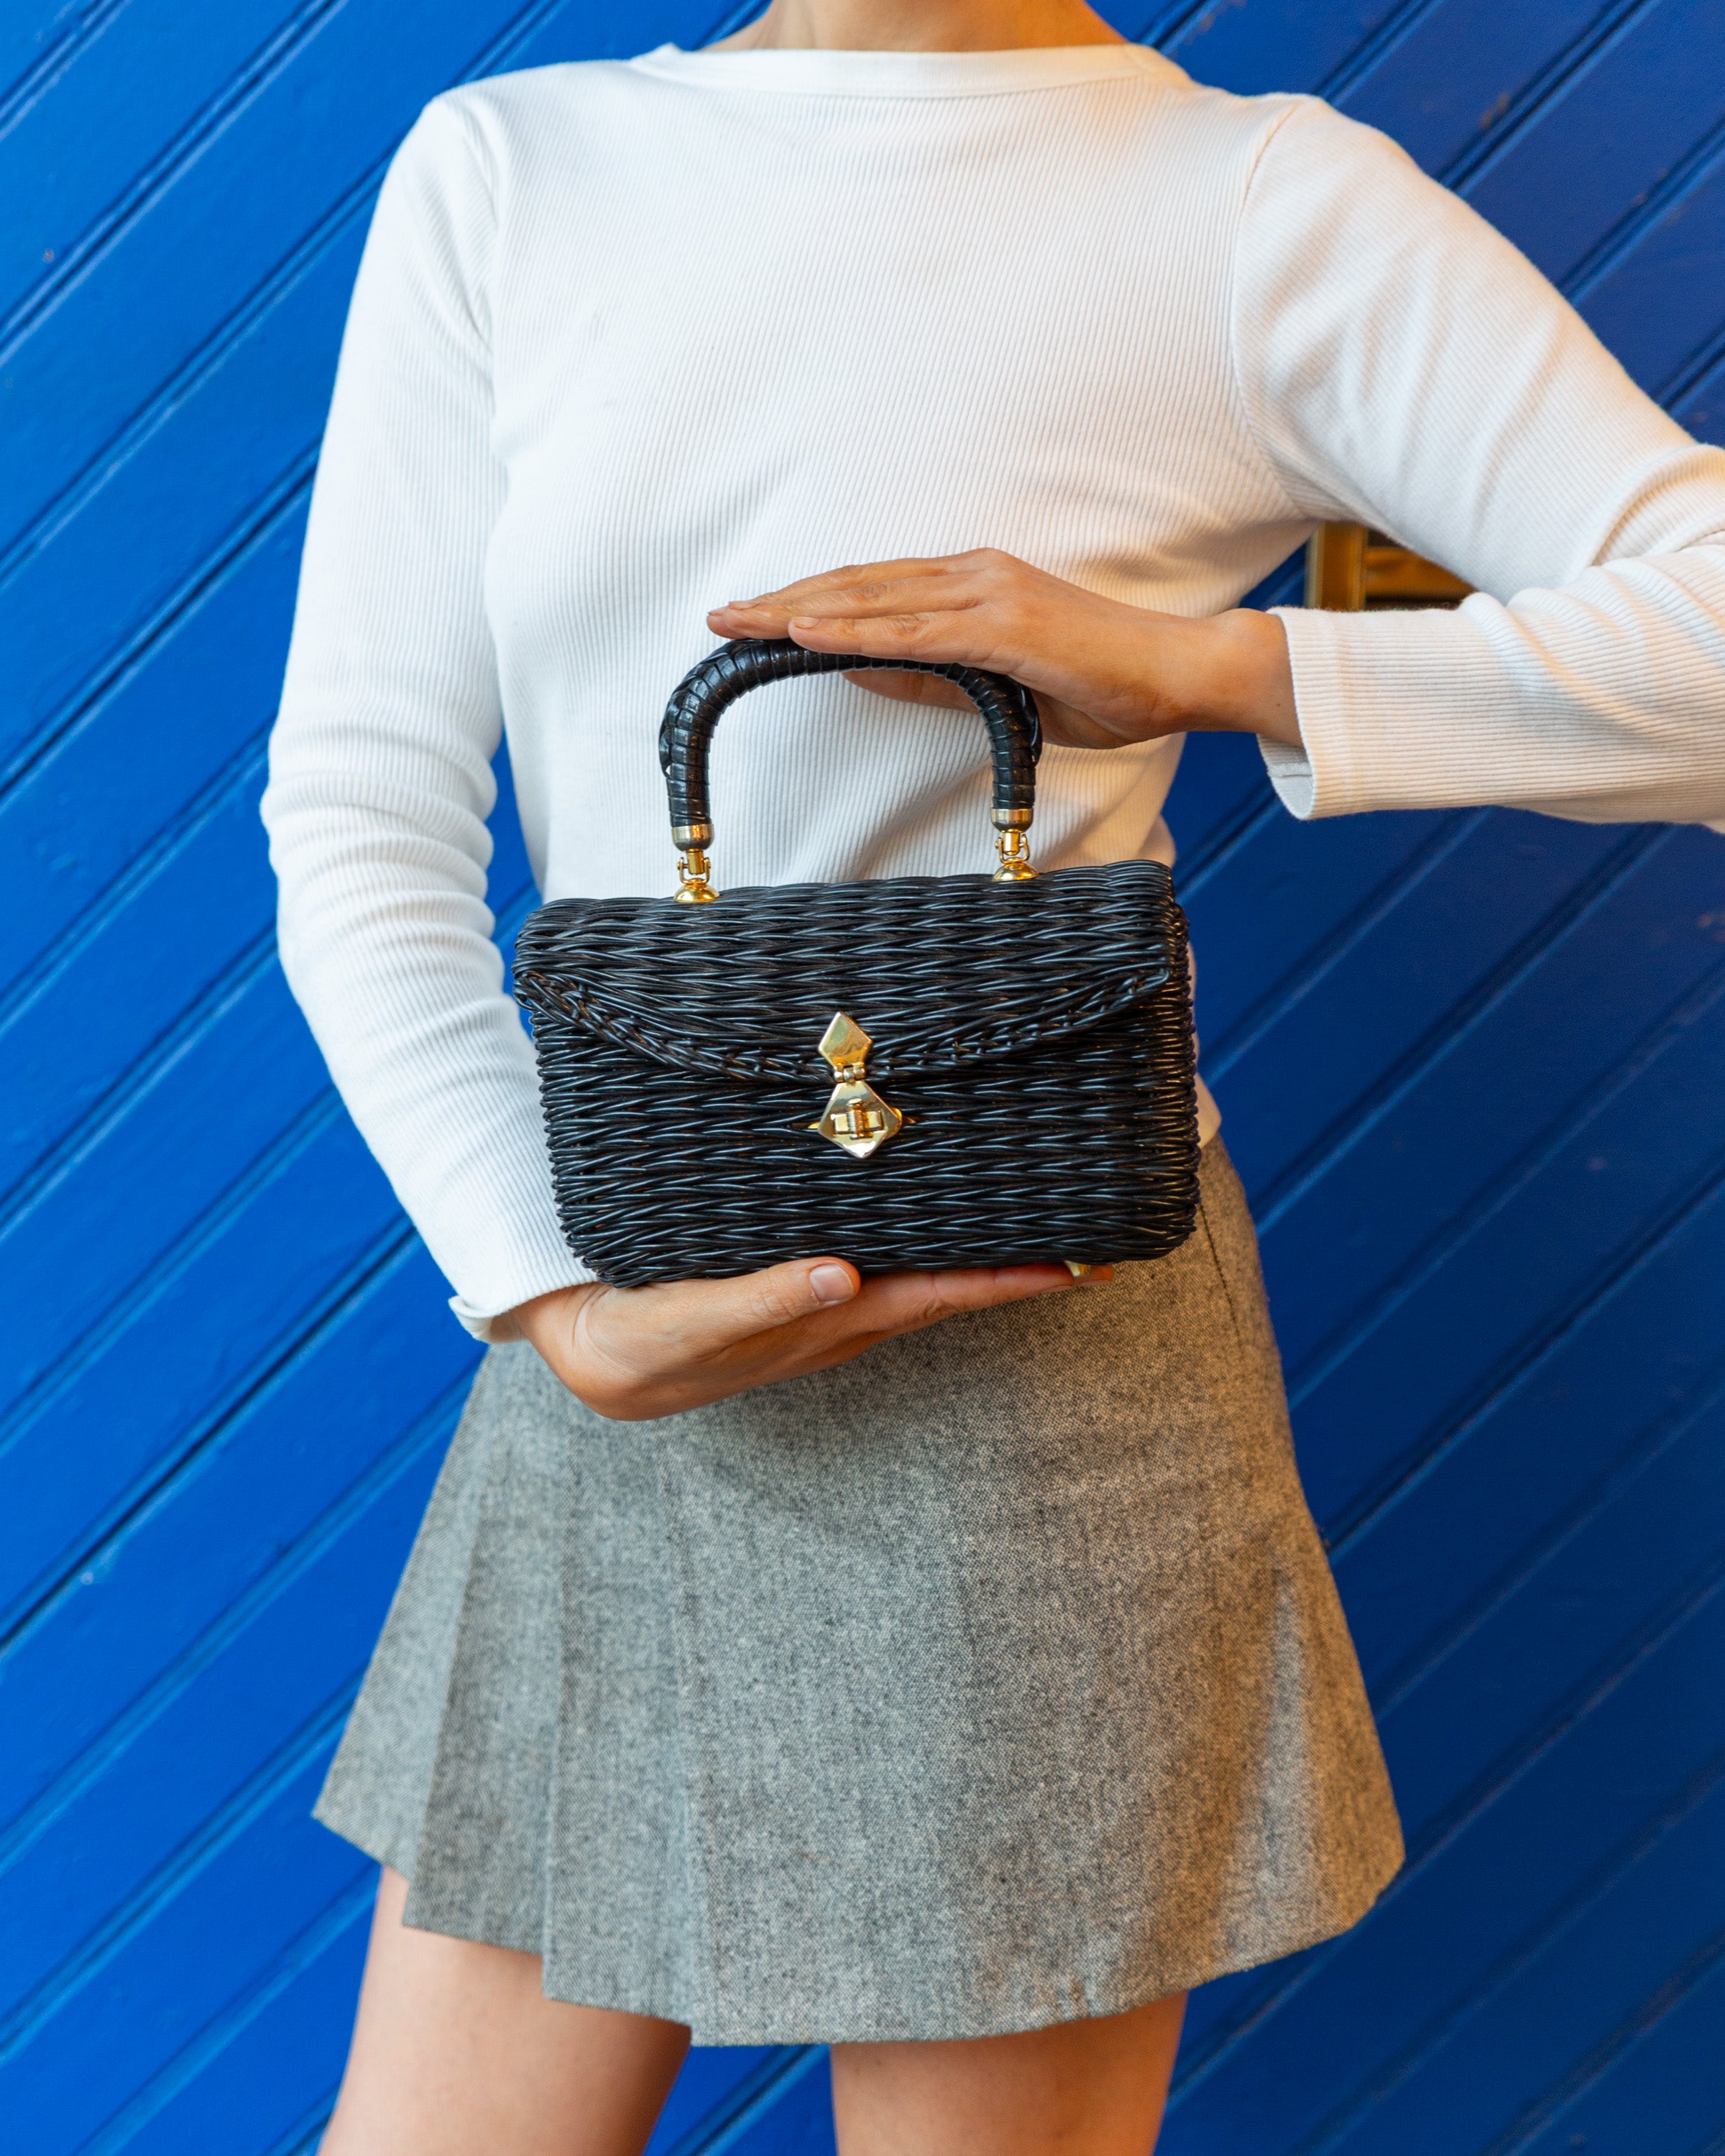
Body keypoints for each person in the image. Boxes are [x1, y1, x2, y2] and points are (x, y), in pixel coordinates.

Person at [259, 0, 1725, 2145]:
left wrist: (1195, 666)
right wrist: (550, 1291)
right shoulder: (512, 171)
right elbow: (356, 807)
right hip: (616, 1317)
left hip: (1054, 1377)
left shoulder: (1257, 206)